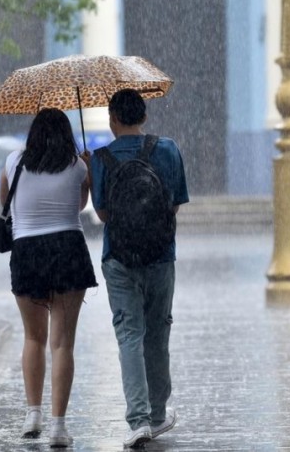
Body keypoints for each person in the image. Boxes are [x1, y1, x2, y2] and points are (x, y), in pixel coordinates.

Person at [90, 89, 189, 448]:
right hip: (160, 256)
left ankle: (138, 420)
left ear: (112, 119)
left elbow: (103, 215)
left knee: (129, 335)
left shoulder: (100, 158)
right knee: (157, 333)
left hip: (119, 258)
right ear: (144, 116)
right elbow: (175, 204)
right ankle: (158, 414)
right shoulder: (168, 149)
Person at [0, 108, 98, 448]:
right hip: (68, 248)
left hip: (27, 250)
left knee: (33, 338)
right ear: (66, 134)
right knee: (62, 343)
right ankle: (58, 427)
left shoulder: (14, 161)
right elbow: (79, 205)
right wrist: (87, 172)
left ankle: (33, 415)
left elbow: (6, 205)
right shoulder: (78, 165)